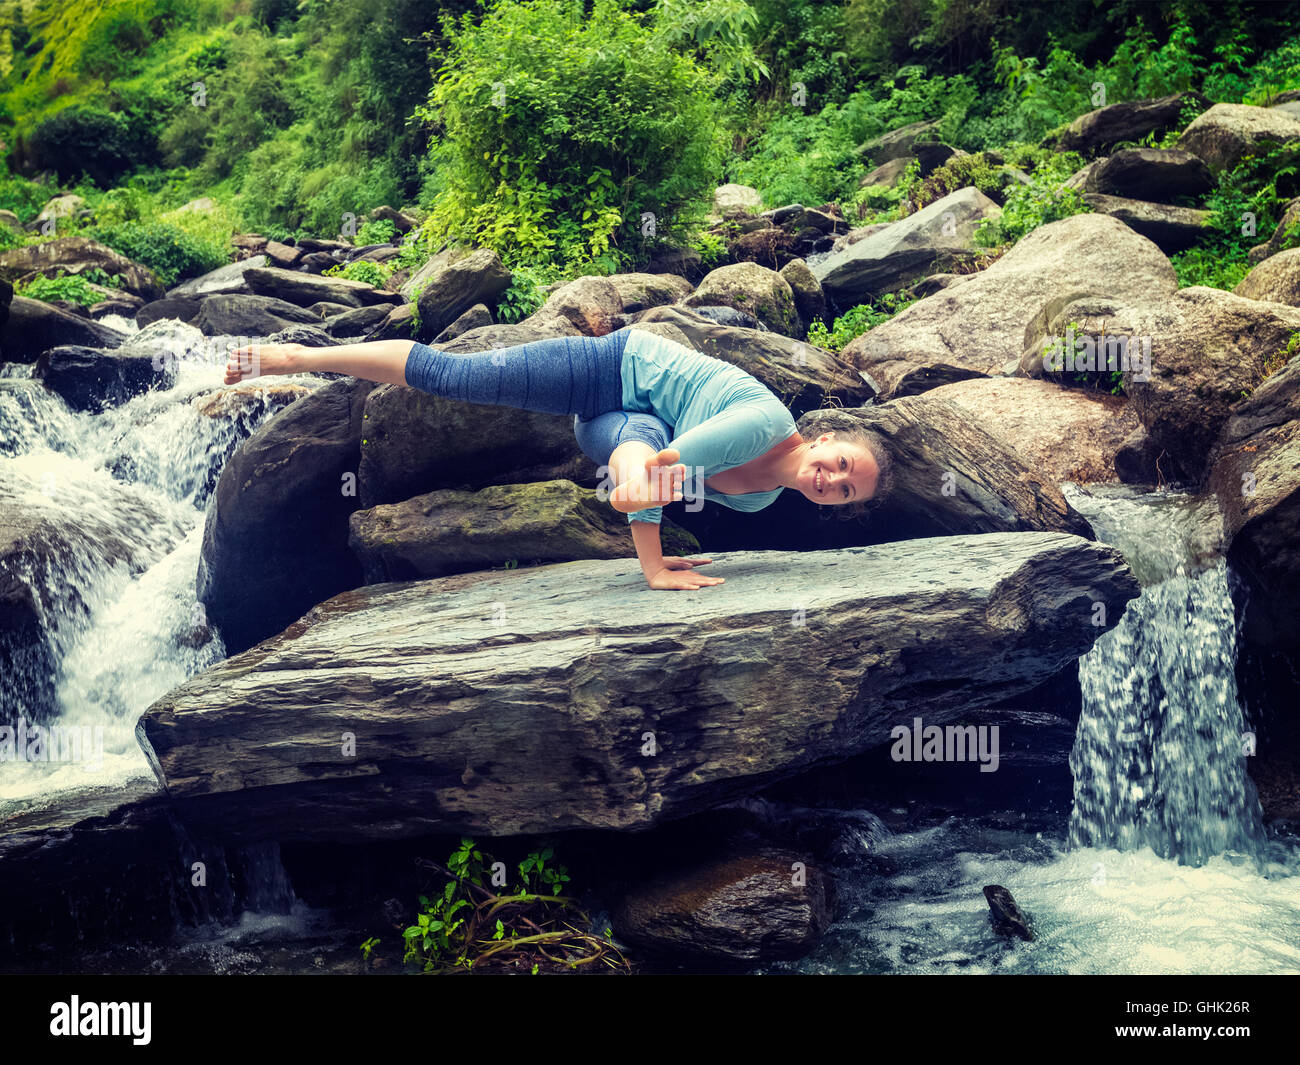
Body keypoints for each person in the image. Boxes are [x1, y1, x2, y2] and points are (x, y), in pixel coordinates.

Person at [224, 326, 891, 590]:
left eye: (843, 492)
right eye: (840, 466)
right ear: (826, 437)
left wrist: (652, 555)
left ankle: (625, 481)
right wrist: (649, 544)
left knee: (644, 457)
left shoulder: (759, 498)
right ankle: (297, 357)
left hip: (615, 433)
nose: (830, 480)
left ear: (836, 507)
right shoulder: (765, 422)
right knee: (454, 377)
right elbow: (667, 467)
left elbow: (661, 470)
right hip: (605, 370)